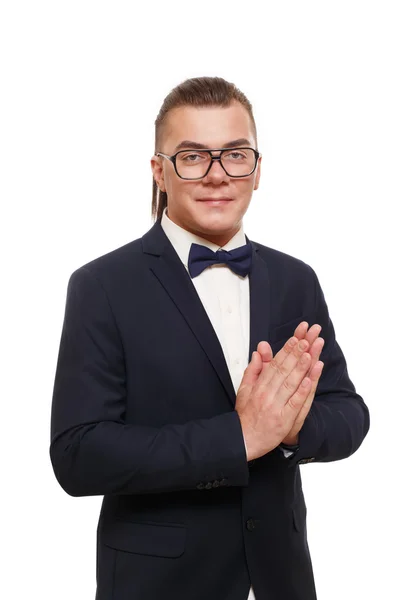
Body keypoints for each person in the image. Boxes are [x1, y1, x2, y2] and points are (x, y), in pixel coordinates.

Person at [49, 76, 370, 600]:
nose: (218, 175)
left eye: (236, 155)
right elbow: (78, 454)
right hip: (158, 585)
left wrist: (289, 430)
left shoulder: (296, 280)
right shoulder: (101, 286)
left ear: (258, 169)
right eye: (193, 156)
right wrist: (238, 439)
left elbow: (350, 413)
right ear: (160, 171)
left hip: (280, 580)